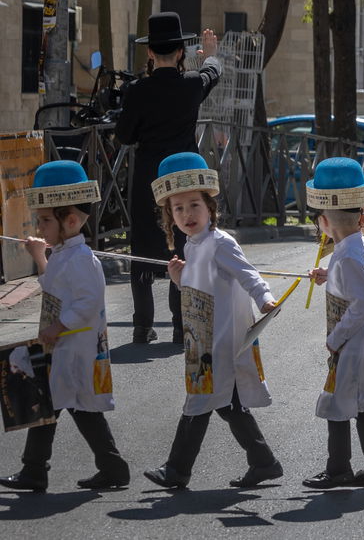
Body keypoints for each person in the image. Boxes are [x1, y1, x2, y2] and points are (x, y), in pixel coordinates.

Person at [143, 153, 282, 490]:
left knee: (200, 401)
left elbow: (248, 274)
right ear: (169, 216)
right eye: (178, 209)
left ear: (210, 207)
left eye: (194, 205)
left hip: (223, 341)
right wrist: (179, 280)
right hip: (204, 340)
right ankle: (264, 462)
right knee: (227, 405)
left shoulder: (221, 243)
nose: (187, 214)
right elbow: (201, 290)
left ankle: (176, 470)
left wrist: (264, 298)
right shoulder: (192, 247)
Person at [0, 162, 129, 492]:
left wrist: (58, 325)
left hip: (76, 350)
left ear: (70, 221)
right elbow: (54, 287)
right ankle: (43, 470)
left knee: (70, 406)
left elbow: (88, 305)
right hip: (63, 349)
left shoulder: (83, 259)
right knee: (58, 405)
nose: (39, 226)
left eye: (45, 220)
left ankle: (42, 470)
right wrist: (39, 255)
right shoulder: (62, 254)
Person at [115, 12, 222, 344]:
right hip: (184, 177)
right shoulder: (191, 85)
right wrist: (210, 54)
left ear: (149, 53)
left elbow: (123, 135)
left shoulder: (136, 90)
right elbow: (212, 73)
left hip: (149, 174)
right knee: (183, 243)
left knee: (144, 244)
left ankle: (142, 324)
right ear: (180, 52)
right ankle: (180, 323)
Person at [303, 158, 364, 490]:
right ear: (361, 215)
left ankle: (339, 469)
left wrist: (336, 338)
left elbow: (362, 302)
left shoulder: (348, 256)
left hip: (355, 348)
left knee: (337, 408)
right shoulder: (356, 247)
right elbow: (360, 285)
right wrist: (329, 275)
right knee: (362, 408)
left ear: (324, 221)